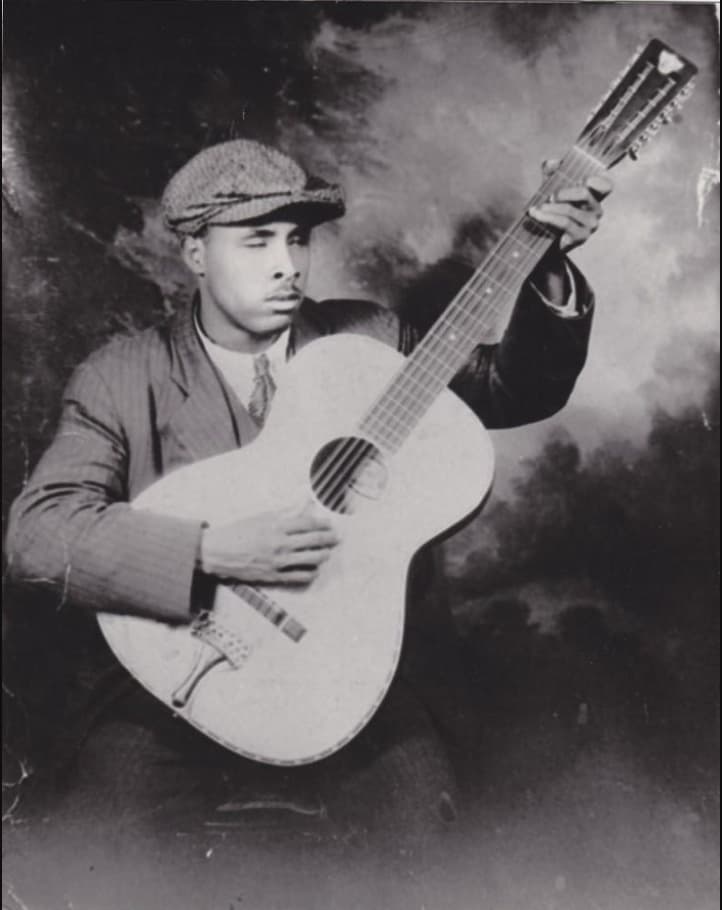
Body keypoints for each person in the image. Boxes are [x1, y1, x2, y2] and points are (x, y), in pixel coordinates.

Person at [5, 139, 611, 846]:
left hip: (350, 679)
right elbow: (37, 534)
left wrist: (550, 265)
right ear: (196, 252)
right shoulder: (121, 374)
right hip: (177, 676)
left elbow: (512, 388)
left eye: (297, 239)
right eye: (256, 241)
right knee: (97, 845)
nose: (287, 264)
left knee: (426, 836)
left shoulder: (371, 340)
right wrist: (209, 551)